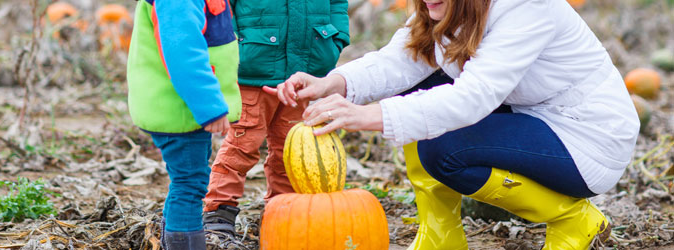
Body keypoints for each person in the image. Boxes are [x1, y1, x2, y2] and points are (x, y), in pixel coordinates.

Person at [266, 0, 639, 249]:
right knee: (424, 86)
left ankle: (573, 218)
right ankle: (440, 234)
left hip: (585, 138)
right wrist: (334, 83)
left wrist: (369, 115)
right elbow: (403, 59)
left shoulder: (529, 8)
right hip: (531, 115)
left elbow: (474, 97)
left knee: (443, 149)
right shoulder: (449, 6)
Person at [201, 0, 350, 239]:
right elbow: (222, 7)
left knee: (291, 149)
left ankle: (282, 212)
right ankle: (219, 212)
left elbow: (337, 4)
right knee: (242, 145)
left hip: (302, 73)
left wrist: (336, 40)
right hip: (254, 72)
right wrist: (235, 44)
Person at [126, 0, 240, 249]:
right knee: (189, 184)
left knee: (186, 180)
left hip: (183, 107)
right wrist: (210, 107)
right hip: (179, 108)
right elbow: (182, 53)